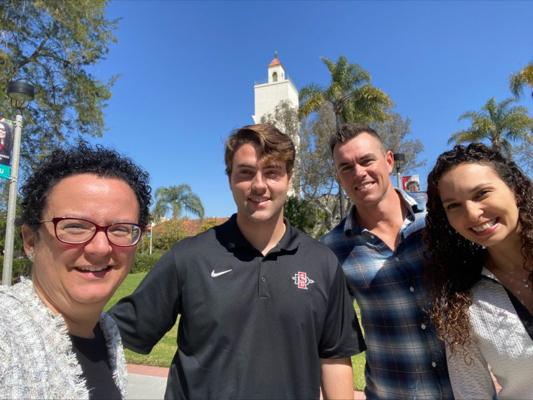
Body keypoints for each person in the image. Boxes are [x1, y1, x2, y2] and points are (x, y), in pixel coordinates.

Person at [110, 123, 365, 400]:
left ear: (289, 179)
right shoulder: (189, 257)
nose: (259, 185)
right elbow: (109, 334)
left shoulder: (322, 262)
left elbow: (334, 359)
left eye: (272, 172)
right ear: (230, 179)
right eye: (246, 172)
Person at [0, 143, 151, 399]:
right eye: (75, 227)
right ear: (30, 241)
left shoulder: (107, 334)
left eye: (120, 229)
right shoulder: (7, 339)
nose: (100, 248)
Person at [321, 124, 453, 400]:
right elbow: (335, 341)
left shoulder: (440, 214)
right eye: (346, 167)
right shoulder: (332, 249)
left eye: (366, 160)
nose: (359, 172)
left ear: (389, 161)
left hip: (469, 391)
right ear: (339, 177)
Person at [425, 143, 533, 399]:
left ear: (515, 190)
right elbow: (472, 393)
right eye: (454, 206)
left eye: (482, 193)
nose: (472, 214)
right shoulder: (461, 302)